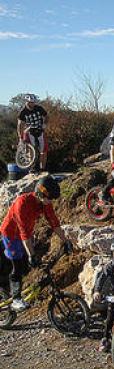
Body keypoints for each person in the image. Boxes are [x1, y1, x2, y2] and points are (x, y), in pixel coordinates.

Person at [0, 176, 74, 311]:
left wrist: (66, 240)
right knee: (17, 265)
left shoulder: (44, 203)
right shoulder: (22, 204)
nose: (50, 202)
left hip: (26, 234)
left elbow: (54, 223)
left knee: (27, 262)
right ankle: (16, 299)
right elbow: (24, 233)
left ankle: (21, 289)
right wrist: (31, 255)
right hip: (11, 234)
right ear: (40, 193)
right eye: (49, 198)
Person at [16, 93, 49, 172]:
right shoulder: (23, 112)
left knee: (43, 150)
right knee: (31, 150)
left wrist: (45, 124)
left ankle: (42, 169)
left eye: (33, 102)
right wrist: (20, 137)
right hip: (29, 131)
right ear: (26, 102)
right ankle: (32, 168)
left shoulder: (39, 108)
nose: (32, 104)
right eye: (30, 102)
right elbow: (20, 125)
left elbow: (47, 116)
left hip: (40, 129)